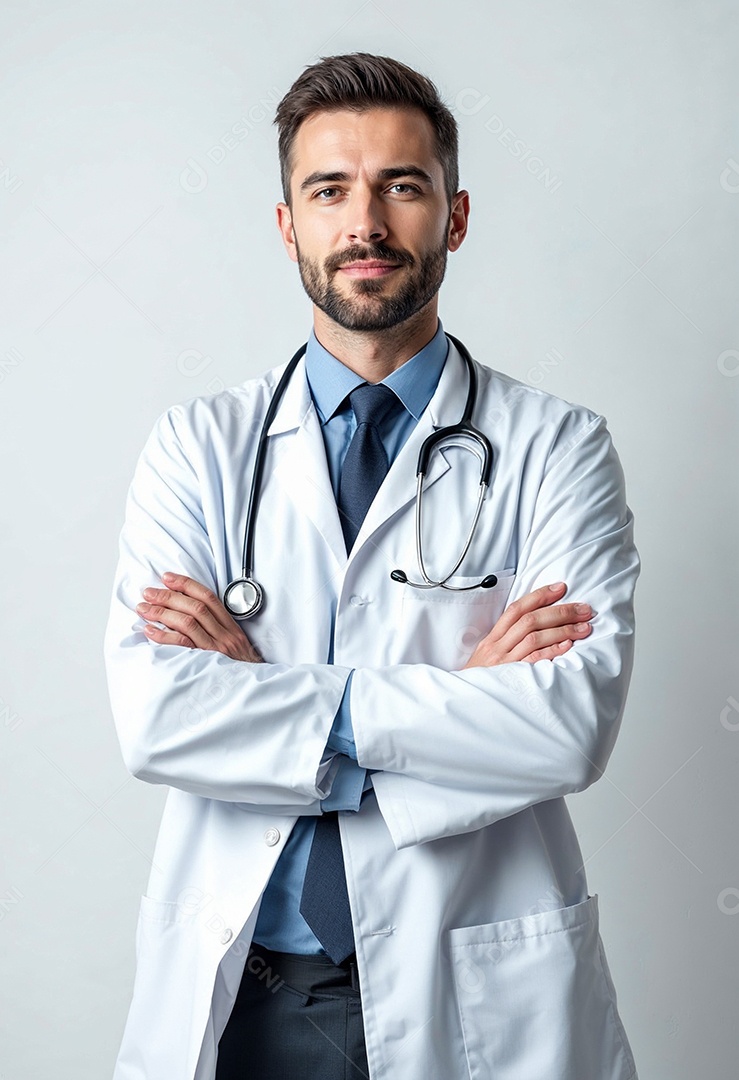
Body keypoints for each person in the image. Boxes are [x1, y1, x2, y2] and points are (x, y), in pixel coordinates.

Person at [104, 52, 640, 1080]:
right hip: (246, 991)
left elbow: (567, 726)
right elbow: (157, 715)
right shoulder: (198, 446)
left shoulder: (557, 447)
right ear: (287, 225)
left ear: (454, 215)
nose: (365, 223)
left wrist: (277, 705)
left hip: (475, 992)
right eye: (328, 191)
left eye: (401, 186)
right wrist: (457, 698)